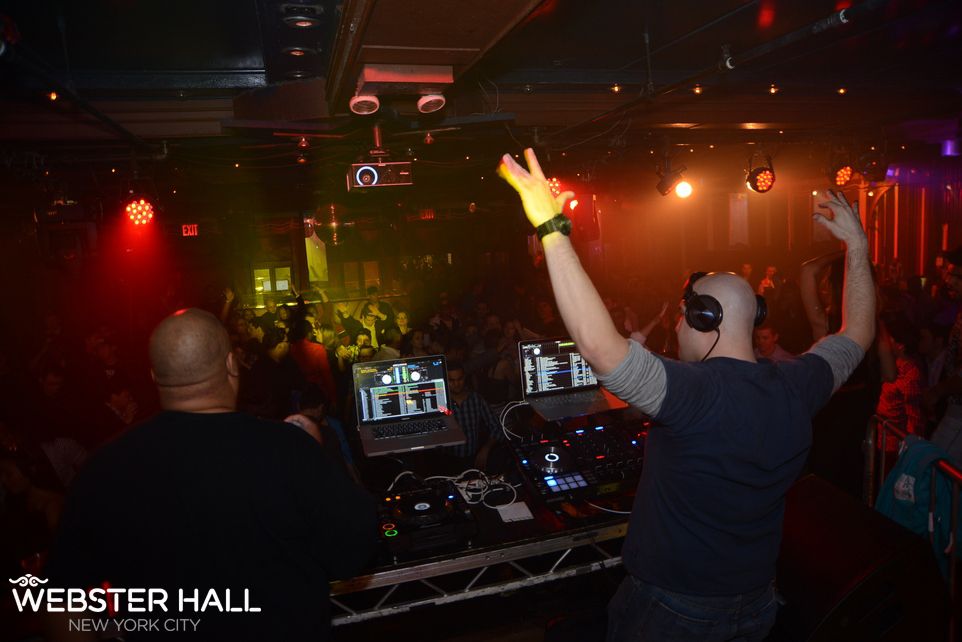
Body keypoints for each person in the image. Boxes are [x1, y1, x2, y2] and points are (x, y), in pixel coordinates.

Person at [498, 149, 873, 642]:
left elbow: (599, 348)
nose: (677, 326)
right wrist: (857, 247)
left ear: (704, 320)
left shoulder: (695, 393)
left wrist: (551, 227)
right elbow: (858, 332)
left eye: (682, 315)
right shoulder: (798, 384)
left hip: (675, 612)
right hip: (758, 601)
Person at [44, 308, 377, 641]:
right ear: (231, 365)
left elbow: (60, 602)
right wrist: (319, 455)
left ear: (154, 376)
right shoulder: (290, 448)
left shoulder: (104, 468)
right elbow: (353, 552)